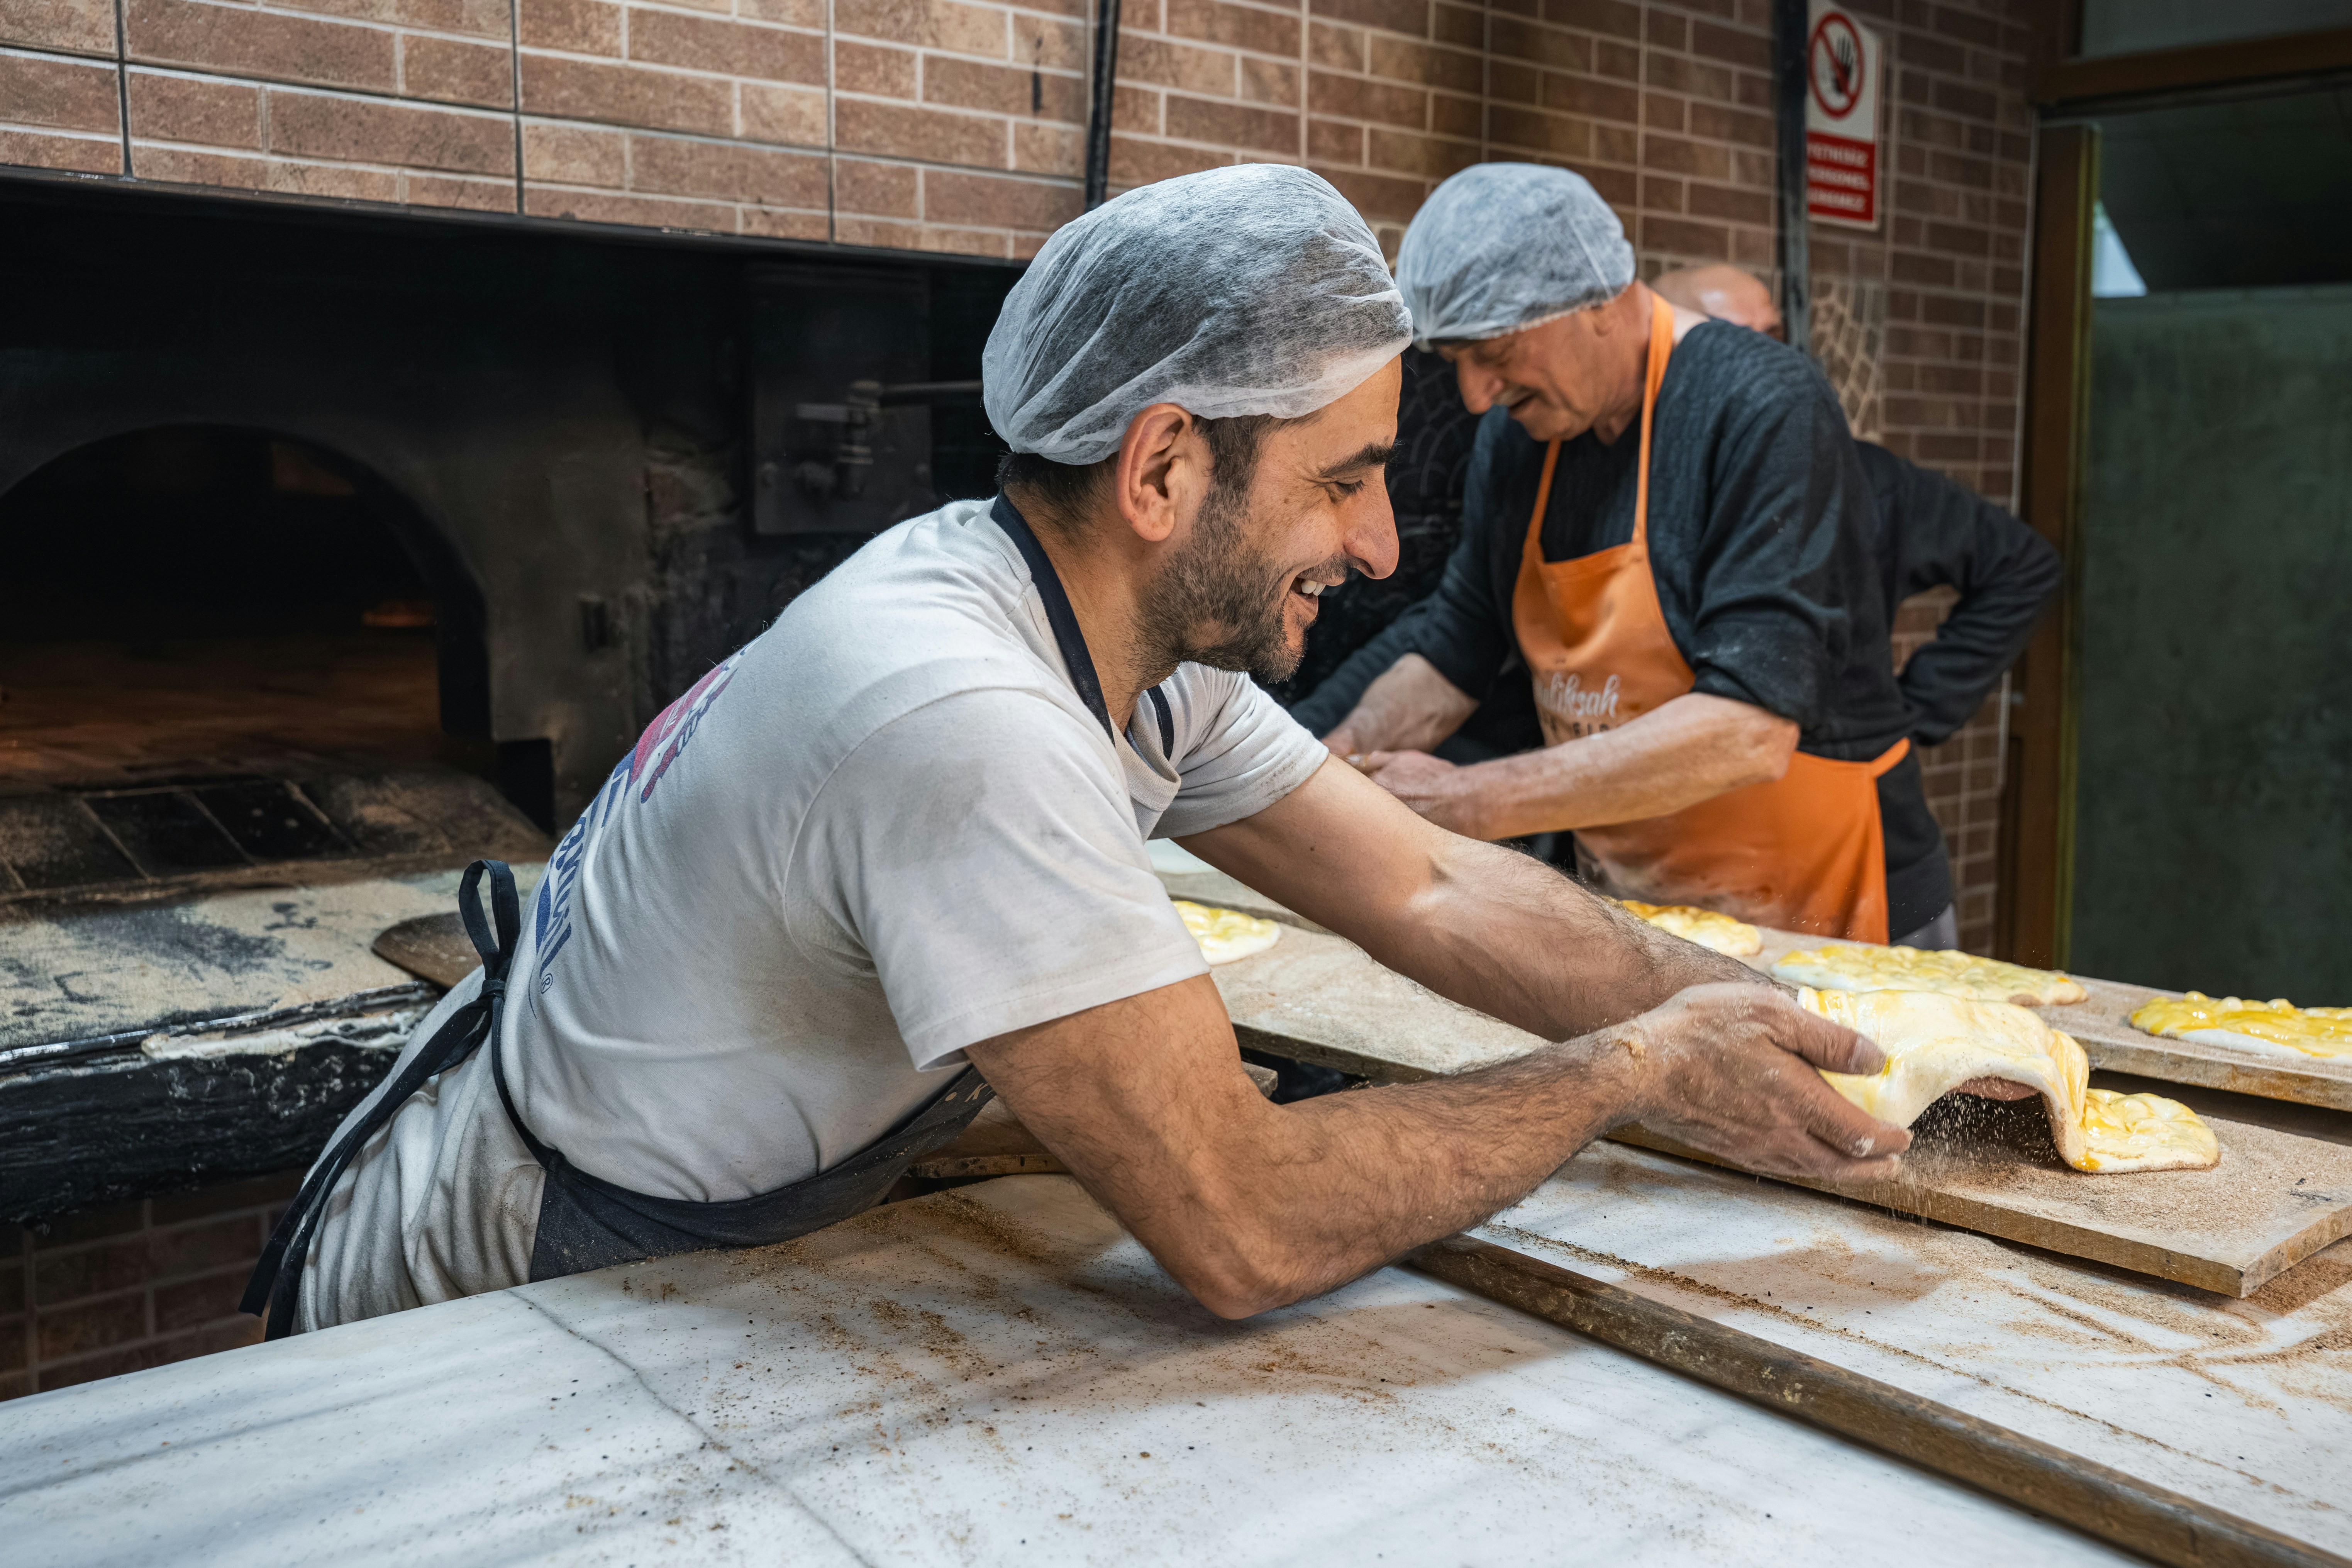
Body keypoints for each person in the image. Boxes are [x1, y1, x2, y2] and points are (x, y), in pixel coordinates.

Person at [250, 165, 1912, 1339]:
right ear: (1164, 469)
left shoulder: (1116, 637)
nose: (1384, 544)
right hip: (516, 1269)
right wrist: (1626, 1073)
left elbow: (1417, 883)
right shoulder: (964, 718)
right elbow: (1240, 1225)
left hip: (679, 1208)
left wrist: (1736, 1029)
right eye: (1341, 479)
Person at [1300, 164, 1948, 947]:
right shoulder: (1518, 437)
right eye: (1455, 359)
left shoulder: (1760, 406)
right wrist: (1324, 766)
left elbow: (1751, 725)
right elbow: (1455, 646)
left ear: (1600, 300)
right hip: (1640, 902)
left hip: (1829, 903)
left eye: (1495, 351)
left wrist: (1475, 802)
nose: (1476, 395)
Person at [1652, 264, 2063, 850]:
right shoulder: (1645, 491)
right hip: (1688, 834)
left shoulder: (1868, 477)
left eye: (1775, 337)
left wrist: (1919, 707)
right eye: (1737, 340)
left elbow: (2024, 565)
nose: (1771, 361)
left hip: (1861, 834)